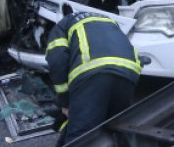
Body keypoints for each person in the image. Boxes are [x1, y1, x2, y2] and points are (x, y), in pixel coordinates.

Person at [45, 10, 142, 146]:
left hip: (93, 73)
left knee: (81, 136)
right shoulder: (109, 22)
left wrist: (65, 101)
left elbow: (57, 60)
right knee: (115, 129)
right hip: (129, 72)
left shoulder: (61, 26)